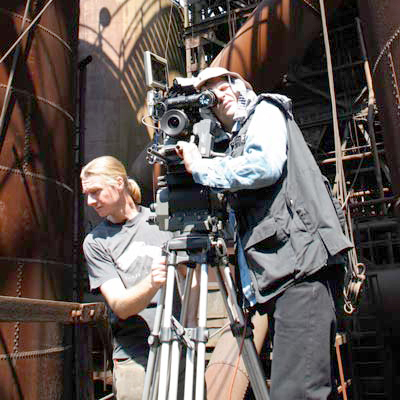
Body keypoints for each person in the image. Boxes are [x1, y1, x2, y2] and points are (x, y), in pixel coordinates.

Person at [175, 67, 352, 400]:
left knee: (296, 393)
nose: (220, 93)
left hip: (302, 272)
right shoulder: (232, 147)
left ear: (245, 86)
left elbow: (265, 166)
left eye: (225, 84)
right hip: (283, 276)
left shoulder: (265, 111)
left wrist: (202, 168)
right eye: (209, 92)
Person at [81, 155, 174, 400]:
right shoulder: (96, 243)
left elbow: (192, 280)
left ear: (119, 183)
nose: (90, 201)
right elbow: (121, 306)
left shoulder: (163, 221)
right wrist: (153, 282)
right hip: (134, 354)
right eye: (87, 194)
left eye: (96, 192)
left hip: (178, 346)